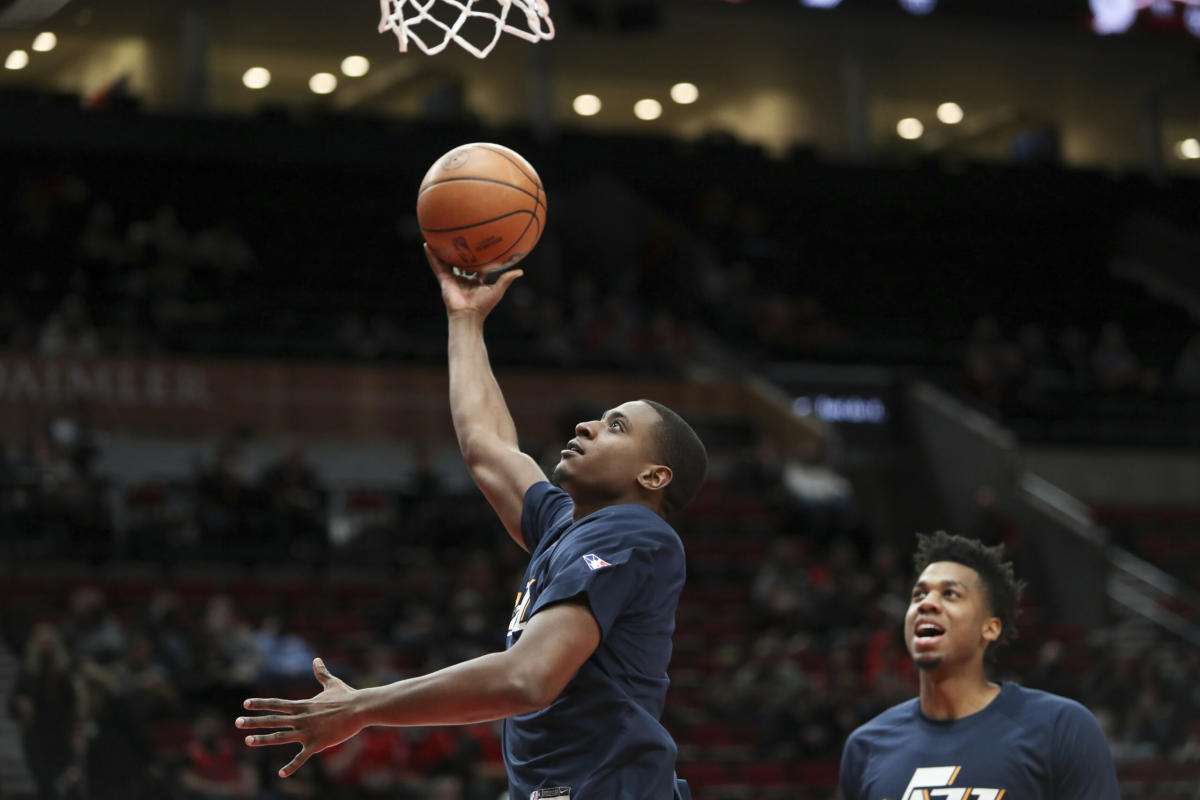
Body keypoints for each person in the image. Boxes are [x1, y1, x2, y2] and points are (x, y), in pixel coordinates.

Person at [237, 246, 708, 800]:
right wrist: (465, 318)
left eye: (616, 427)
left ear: (654, 477)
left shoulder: (634, 532)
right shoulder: (567, 526)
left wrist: (361, 707)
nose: (585, 426)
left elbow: (526, 677)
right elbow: (486, 445)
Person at [839, 531, 1119, 800]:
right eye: (919, 595)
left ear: (990, 628)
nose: (927, 604)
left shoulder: (1061, 728)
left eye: (950, 594)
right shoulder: (866, 746)